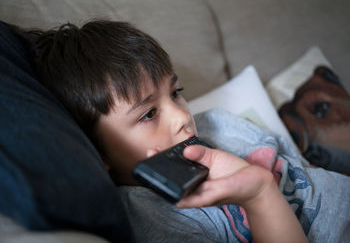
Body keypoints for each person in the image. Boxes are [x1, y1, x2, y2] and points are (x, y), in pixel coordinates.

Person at [15, 20, 349, 242]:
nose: (182, 117)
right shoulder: (153, 219)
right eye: (148, 114)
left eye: (176, 92)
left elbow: (309, 172)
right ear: (97, 152)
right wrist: (259, 194)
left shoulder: (217, 123)